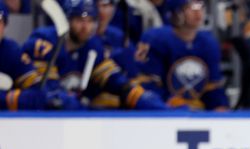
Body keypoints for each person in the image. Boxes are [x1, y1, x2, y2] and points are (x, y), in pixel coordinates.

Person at [23, 0, 165, 109]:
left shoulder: (92, 45)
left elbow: (115, 80)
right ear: (67, 20)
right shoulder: (44, 41)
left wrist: (141, 96)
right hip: (34, 117)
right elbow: (47, 93)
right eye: (79, 20)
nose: (86, 27)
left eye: (90, 21)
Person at [135, 0, 229, 110]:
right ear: (176, 12)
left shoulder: (209, 43)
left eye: (200, 7)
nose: (197, 12)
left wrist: (220, 106)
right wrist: (168, 103)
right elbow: (148, 86)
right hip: (163, 111)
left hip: (197, 111)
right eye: (191, 7)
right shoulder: (155, 39)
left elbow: (213, 87)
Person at [0, 0, 79, 110]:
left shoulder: (10, 50)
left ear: (5, 25)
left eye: (0, 22)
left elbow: (37, 91)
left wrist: (8, 98)